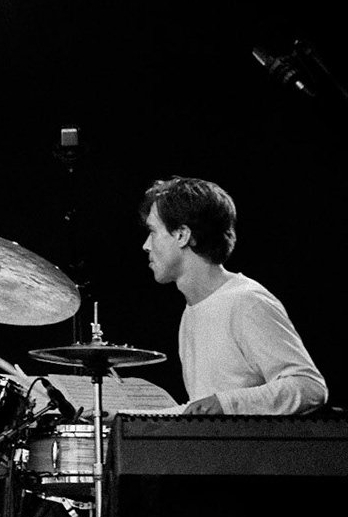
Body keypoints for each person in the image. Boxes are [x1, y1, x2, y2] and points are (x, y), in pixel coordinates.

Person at [140, 176, 327, 415]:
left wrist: (227, 403)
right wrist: (125, 418)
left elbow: (309, 387)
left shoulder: (247, 301)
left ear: (182, 235)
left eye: (153, 232)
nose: (146, 245)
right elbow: (201, 411)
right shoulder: (193, 310)